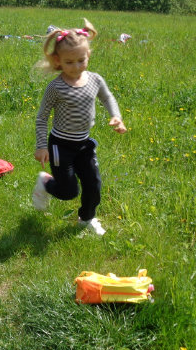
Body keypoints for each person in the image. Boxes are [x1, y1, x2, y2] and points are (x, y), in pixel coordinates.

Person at [32, 20, 127, 236]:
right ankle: (46, 183)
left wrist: (116, 117)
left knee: (94, 184)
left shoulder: (95, 79)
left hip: (84, 144)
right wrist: (42, 146)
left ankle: (86, 219)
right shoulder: (56, 87)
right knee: (68, 192)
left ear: (88, 55)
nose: (76, 67)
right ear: (58, 61)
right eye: (69, 62)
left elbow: (107, 97)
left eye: (81, 60)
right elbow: (42, 117)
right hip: (60, 146)